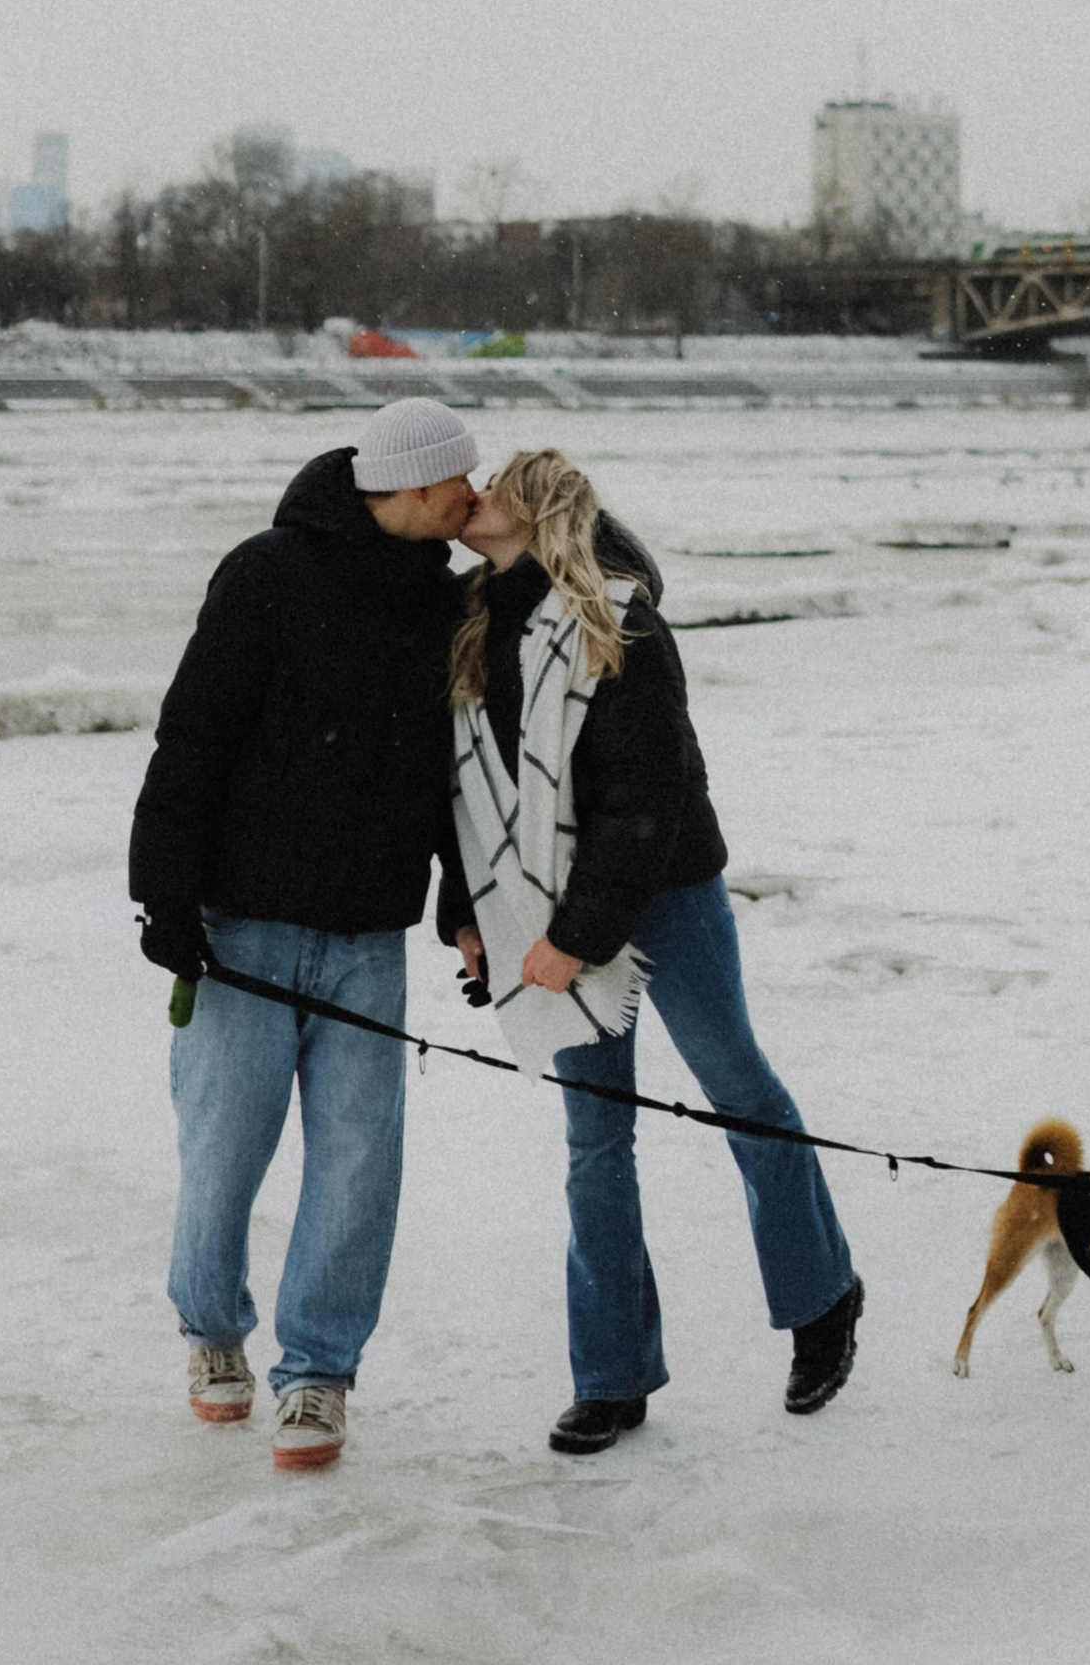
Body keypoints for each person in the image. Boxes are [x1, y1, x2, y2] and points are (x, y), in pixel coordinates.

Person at [448, 446, 864, 1451]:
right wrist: (469, 917)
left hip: (664, 893)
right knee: (596, 1142)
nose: (476, 494)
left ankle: (822, 1301)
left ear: (537, 512)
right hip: (548, 916)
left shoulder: (619, 623)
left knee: (738, 1089)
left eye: (498, 484)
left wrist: (576, 937)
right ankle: (612, 1376)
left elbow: (646, 798)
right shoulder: (465, 625)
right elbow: (465, 793)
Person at [128, 395, 483, 1472]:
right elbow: (193, 735)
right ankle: (211, 1333)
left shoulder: (448, 605)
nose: (477, 497)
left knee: (359, 1163)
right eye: (462, 483)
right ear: (416, 487)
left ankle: (319, 1371)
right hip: (241, 925)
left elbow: (453, 781)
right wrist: (167, 898)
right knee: (224, 1153)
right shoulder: (267, 575)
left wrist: (461, 909)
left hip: (367, 932)